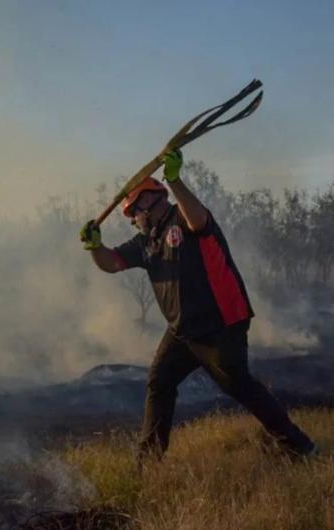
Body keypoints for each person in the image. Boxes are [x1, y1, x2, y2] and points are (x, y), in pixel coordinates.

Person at [79, 149, 317, 466]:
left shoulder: (184, 217)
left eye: (134, 213)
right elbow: (110, 263)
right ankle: (148, 463)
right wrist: (96, 247)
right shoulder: (145, 242)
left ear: (148, 202)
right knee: (159, 383)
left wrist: (175, 180)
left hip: (220, 324)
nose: (134, 220)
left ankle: (298, 447)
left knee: (239, 385)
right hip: (182, 331)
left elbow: (198, 220)